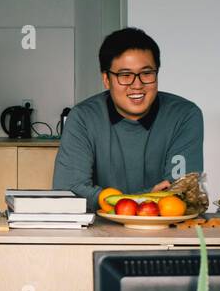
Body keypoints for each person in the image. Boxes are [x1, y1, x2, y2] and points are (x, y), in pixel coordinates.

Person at [52, 27, 204, 211]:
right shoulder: (83, 118)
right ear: (106, 79)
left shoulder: (184, 115)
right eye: (125, 75)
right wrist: (146, 197)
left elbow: (182, 192)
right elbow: (68, 191)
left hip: (167, 232)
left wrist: (105, 198)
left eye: (146, 73)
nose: (137, 85)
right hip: (99, 232)